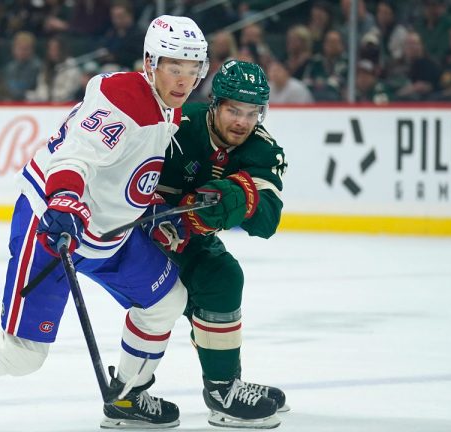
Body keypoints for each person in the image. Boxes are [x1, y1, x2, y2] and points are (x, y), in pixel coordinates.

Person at [0, 15, 209, 432]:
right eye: (175, 67)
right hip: (53, 224)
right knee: (22, 354)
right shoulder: (125, 98)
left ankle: (127, 395)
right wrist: (63, 200)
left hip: (106, 235)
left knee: (166, 301)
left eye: (194, 70)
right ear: (151, 63)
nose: (184, 81)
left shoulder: (167, 110)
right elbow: (75, 155)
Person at [155, 60, 288, 428]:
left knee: (222, 279)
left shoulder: (262, 150)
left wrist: (235, 195)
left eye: (252, 112)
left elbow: (268, 220)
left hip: (190, 241)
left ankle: (224, 387)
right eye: (234, 110)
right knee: (170, 299)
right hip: (141, 236)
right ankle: (129, 395)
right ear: (215, 103)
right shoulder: (177, 126)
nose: (242, 122)